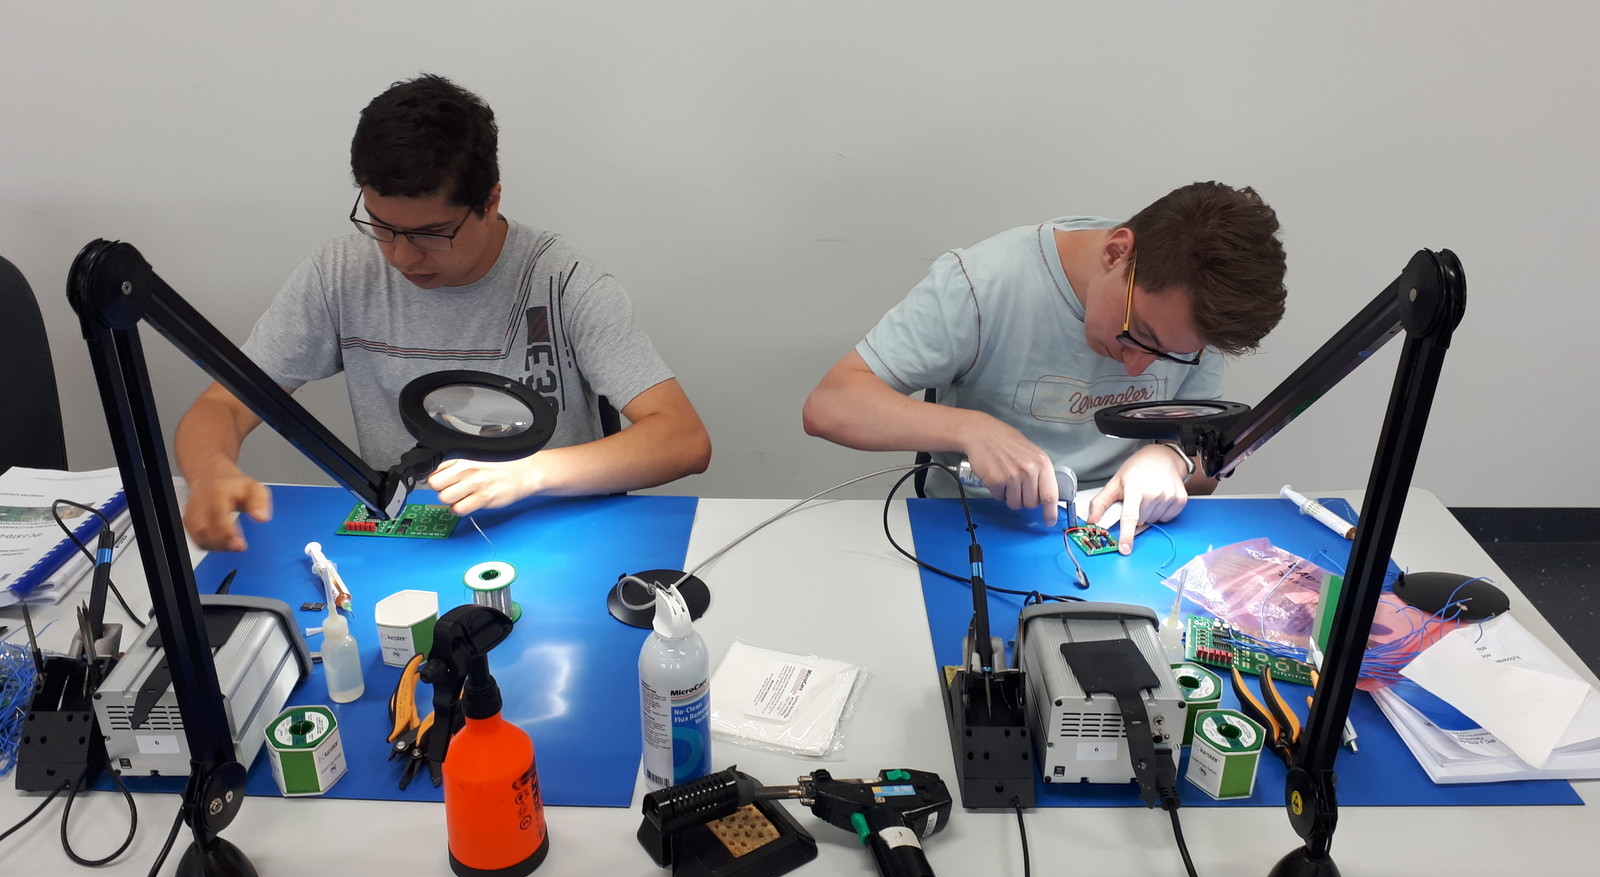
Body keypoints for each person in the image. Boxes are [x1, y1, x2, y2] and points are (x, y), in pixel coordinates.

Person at [176, 74, 711, 551]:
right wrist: (211, 474)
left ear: (490, 202)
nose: (402, 257)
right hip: (409, 540)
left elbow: (683, 439)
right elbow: (222, 405)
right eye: (382, 226)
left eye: (431, 234)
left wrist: (532, 473)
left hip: (552, 533)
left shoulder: (563, 282)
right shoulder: (338, 275)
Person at [802, 182, 1286, 553]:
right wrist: (970, 429)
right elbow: (830, 405)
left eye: (1168, 354)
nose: (1137, 368)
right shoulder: (983, 285)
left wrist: (1172, 459)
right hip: (974, 530)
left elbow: (1206, 470)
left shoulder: (1194, 318)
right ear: (1116, 253)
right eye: (1138, 333)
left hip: (1124, 536)